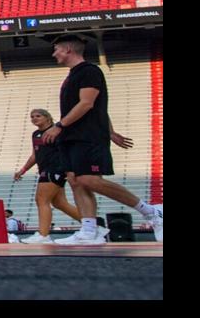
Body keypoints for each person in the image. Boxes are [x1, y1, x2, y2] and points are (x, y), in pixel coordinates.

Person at [39, 35, 162, 245]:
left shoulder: (89, 71)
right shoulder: (71, 75)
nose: (54, 53)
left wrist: (59, 126)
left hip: (88, 136)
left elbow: (87, 104)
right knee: (76, 181)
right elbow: (97, 107)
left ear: (68, 49)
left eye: (57, 49)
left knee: (89, 179)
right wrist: (112, 131)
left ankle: (151, 211)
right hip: (71, 137)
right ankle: (89, 231)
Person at [12, 107, 86, 243]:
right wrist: (22, 170)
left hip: (55, 169)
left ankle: (43, 235)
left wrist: (69, 170)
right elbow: (35, 155)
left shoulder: (57, 131)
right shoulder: (35, 134)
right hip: (45, 168)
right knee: (60, 203)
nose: (34, 119)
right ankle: (92, 224)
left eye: (38, 116)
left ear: (47, 117)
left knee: (41, 200)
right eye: (32, 116)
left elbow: (68, 150)